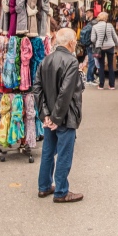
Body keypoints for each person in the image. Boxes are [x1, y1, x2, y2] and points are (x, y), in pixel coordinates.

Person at [34, 27, 84, 203]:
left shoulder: (46, 60)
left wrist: (46, 115)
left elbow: (37, 89)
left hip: (51, 117)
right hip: (65, 116)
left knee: (48, 151)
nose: (76, 43)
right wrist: (55, 117)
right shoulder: (71, 61)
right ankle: (61, 191)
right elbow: (66, 93)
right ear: (70, 42)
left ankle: (44, 186)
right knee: (63, 153)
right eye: (75, 41)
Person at [90, 11, 118, 90]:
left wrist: (98, 42)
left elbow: (92, 39)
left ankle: (101, 85)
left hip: (100, 48)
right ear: (106, 18)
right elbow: (114, 36)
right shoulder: (109, 25)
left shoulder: (95, 27)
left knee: (101, 65)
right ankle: (112, 85)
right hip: (110, 46)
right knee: (110, 65)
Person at [78, 10, 99, 86]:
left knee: (91, 61)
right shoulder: (94, 23)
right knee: (92, 61)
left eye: (87, 13)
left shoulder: (90, 23)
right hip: (91, 45)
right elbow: (93, 37)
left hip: (88, 44)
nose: (86, 14)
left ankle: (91, 78)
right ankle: (89, 79)